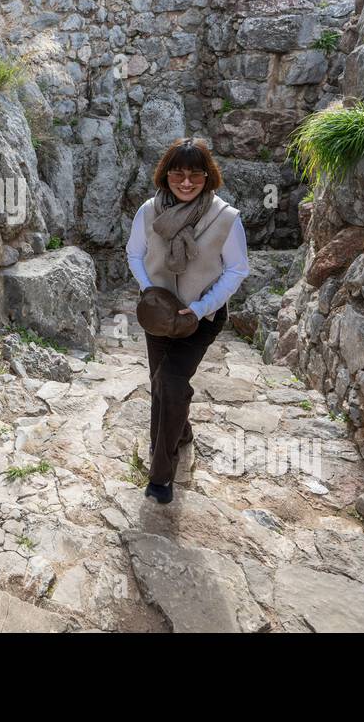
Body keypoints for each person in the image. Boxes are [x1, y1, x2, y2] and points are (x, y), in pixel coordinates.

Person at [126, 138, 249, 504]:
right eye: (177, 173)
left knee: (170, 380)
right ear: (165, 175)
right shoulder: (149, 212)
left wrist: (199, 307)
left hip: (202, 318)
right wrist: (153, 294)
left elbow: (237, 269)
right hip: (158, 316)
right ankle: (179, 431)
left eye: (195, 174)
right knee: (161, 383)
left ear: (207, 177)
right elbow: (135, 254)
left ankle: (161, 474)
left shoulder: (226, 218)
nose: (185, 181)